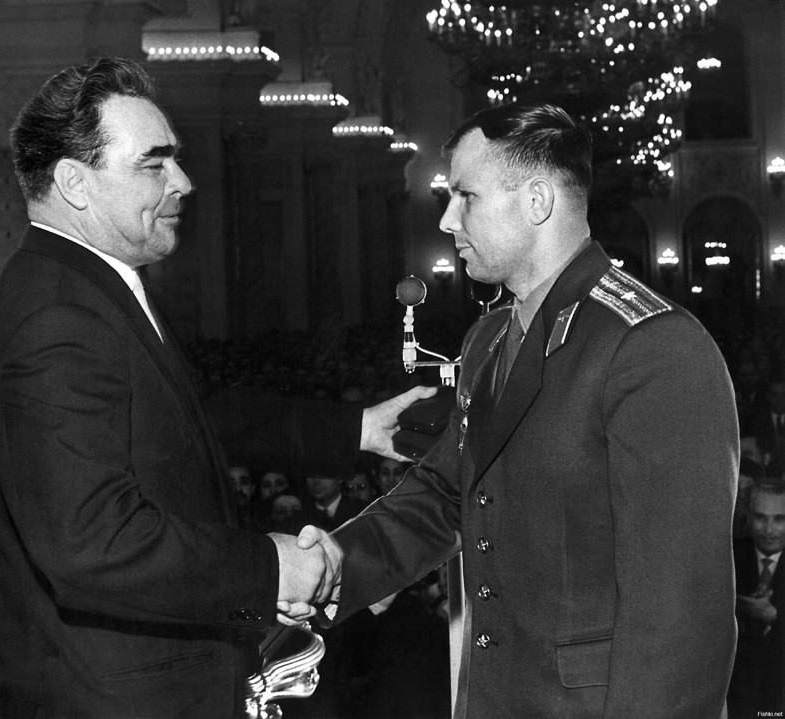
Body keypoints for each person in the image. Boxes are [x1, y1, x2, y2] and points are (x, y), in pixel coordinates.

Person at [0, 57, 432, 718]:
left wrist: (357, 428)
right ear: (74, 182)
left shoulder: (90, 289)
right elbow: (93, 544)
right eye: (154, 164)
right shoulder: (55, 318)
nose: (183, 181)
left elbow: (192, 413)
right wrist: (270, 568)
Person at [296, 103, 739, 717]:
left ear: (536, 201)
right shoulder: (488, 339)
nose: (447, 219)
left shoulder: (652, 347)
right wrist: (337, 562)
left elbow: (680, 620)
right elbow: (448, 493)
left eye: (466, 196)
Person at [728, 477, 785, 717]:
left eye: (779, 519)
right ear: (749, 517)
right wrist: (741, 605)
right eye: (761, 517)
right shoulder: (730, 557)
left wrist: (773, 616)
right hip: (734, 701)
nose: (769, 530)